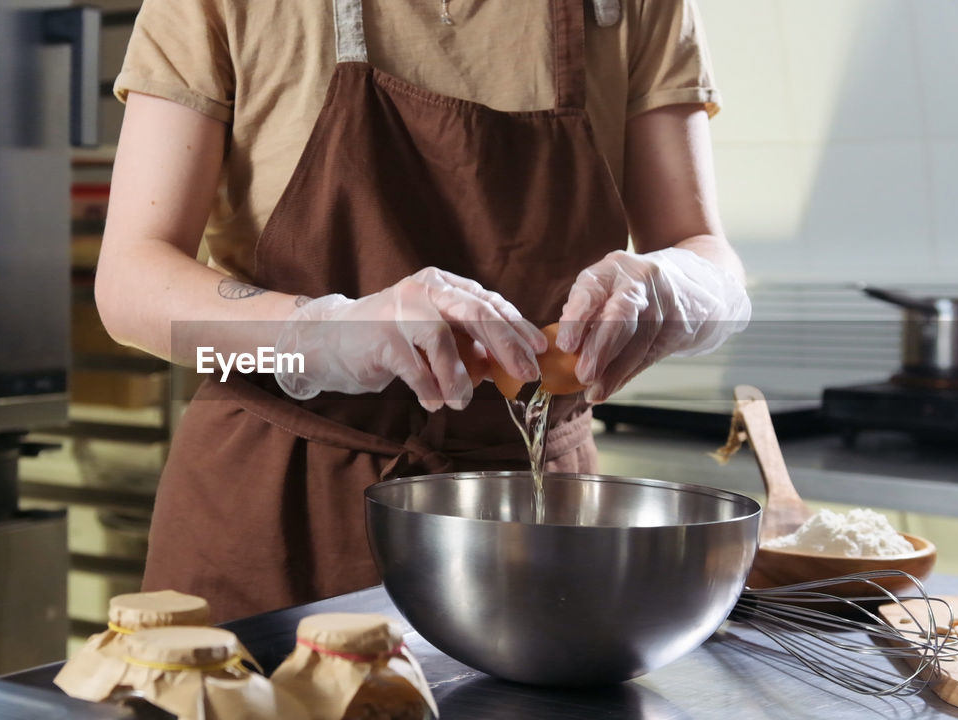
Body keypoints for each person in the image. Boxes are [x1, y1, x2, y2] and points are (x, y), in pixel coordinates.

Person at [97, 0, 751, 622]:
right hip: (279, 507)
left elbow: (711, 260)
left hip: (534, 506)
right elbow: (129, 287)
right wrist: (324, 337)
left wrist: (673, 287)